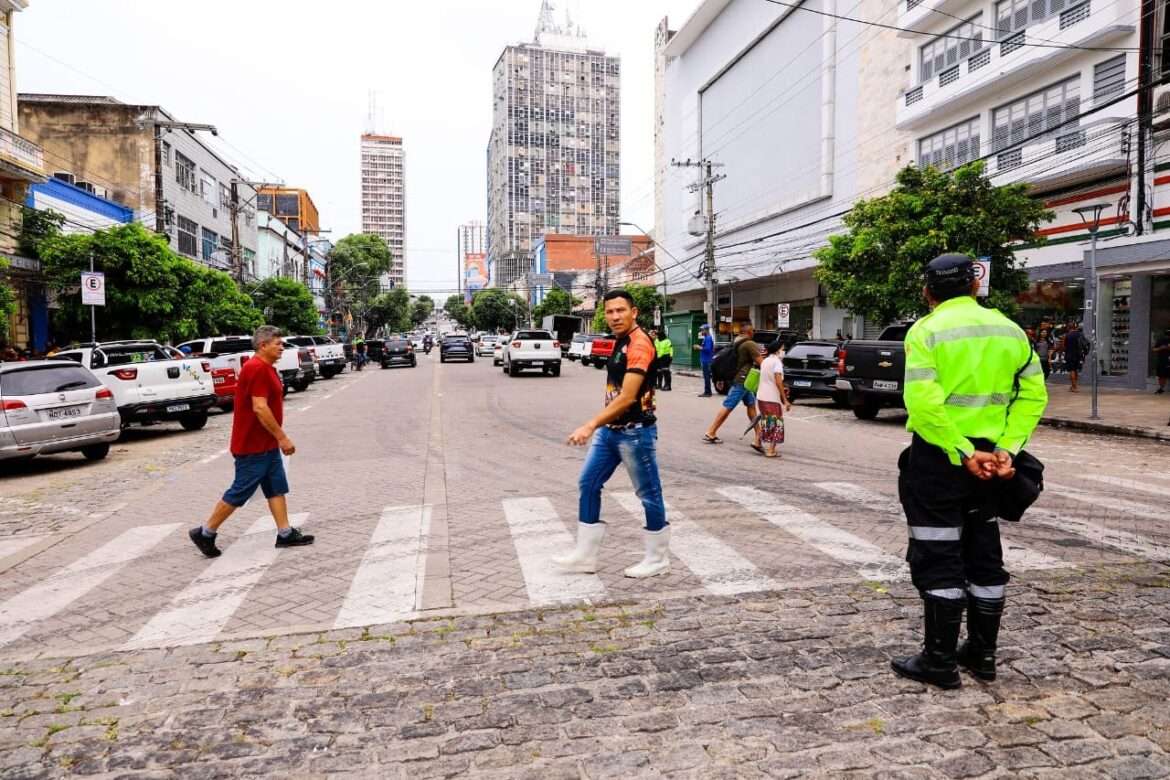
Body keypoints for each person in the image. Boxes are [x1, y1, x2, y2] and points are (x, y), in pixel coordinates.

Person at [891, 254, 1047, 689]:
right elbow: (1034, 396)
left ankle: (939, 661)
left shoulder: (926, 331)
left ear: (928, 292)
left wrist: (961, 450)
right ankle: (982, 655)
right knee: (983, 553)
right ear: (975, 287)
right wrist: (1006, 450)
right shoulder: (1010, 330)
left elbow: (923, 406)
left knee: (938, 553)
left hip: (942, 460)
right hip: (993, 466)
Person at [556, 289, 669, 579]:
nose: (615, 316)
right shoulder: (621, 341)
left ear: (634, 312)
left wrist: (590, 424)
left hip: (635, 432)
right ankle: (585, 556)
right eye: (609, 311)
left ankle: (657, 559)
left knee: (648, 494)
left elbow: (629, 396)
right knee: (588, 483)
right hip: (611, 431)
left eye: (621, 310)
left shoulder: (640, 344)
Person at [189, 325, 314, 558]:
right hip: (253, 445)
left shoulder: (265, 368)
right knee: (240, 491)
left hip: (266, 444)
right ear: (263, 345)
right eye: (277, 343)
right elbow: (259, 407)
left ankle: (285, 533)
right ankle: (205, 533)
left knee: (276, 486)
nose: (282, 347)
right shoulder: (256, 368)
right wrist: (282, 437)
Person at [703, 323, 763, 453]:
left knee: (751, 405)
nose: (754, 332)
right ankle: (711, 431)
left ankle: (758, 436)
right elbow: (761, 362)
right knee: (728, 405)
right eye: (753, 330)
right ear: (749, 332)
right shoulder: (749, 344)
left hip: (744, 379)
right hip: (743, 380)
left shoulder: (736, 341)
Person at [757, 339, 792, 458]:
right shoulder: (777, 363)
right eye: (783, 349)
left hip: (761, 396)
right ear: (777, 351)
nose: (784, 351)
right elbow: (778, 382)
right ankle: (771, 450)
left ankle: (757, 441)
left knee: (767, 421)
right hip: (771, 397)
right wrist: (785, 400)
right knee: (776, 423)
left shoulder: (765, 361)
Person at [1063, 321, 1086, 392]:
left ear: (1068, 327)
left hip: (1070, 355)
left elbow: (1064, 346)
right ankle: (1074, 385)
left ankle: (1074, 387)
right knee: (1075, 370)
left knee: (1072, 370)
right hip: (1078, 355)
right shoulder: (1079, 334)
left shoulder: (1068, 335)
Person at [695, 324, 715, 397]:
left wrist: (699, 347)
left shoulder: (708, 338)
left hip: (707, 360)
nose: (701, 331)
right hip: (705, 360)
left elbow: (708, 349)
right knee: (706, 376)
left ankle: (708, 392)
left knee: (706, 376)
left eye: (702, 330)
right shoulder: (706, 338)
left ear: (706, 330)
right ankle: (707, 391)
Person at [1152, 327, 1170, 395]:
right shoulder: (1161, 340)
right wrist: (1161, 348)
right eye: (1167, 334)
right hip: (1162, 360)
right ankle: (1161, 389)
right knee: (1161, 375)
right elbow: (1154, 349)